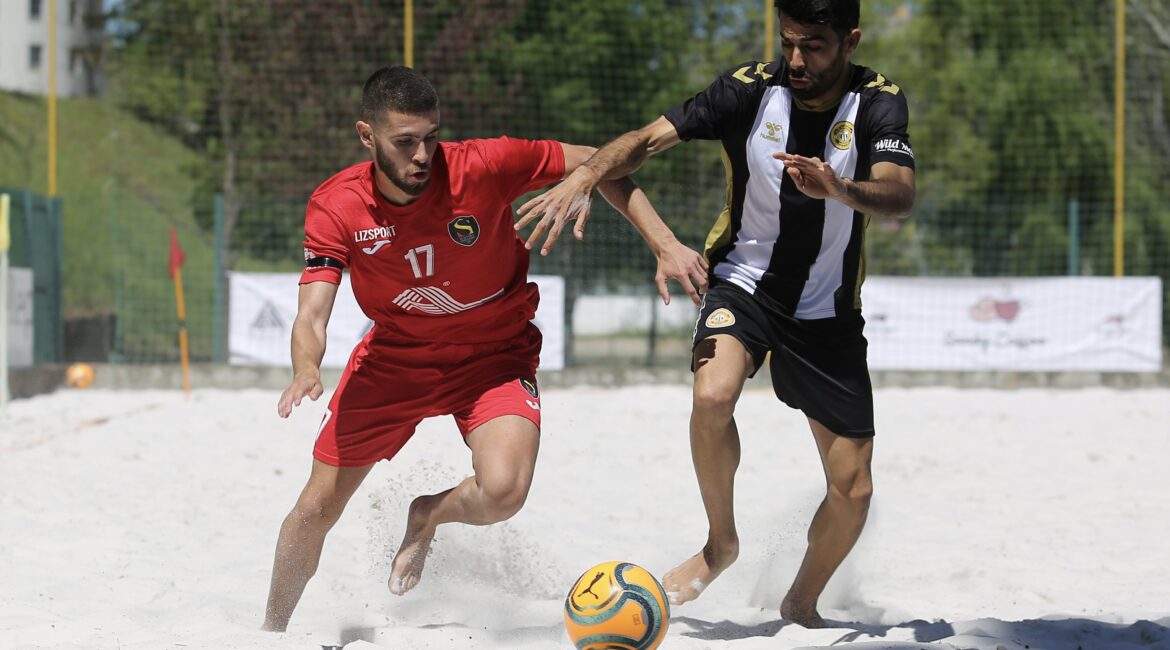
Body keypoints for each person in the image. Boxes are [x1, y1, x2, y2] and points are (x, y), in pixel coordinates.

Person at [261, 65, 705, 633]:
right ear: (366, 137)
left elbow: (607, 158)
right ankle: (270, 632)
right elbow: (312, 312)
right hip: (396, 360)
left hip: (495, 354)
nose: (423, 154)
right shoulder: (337, 204)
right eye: (405, 141)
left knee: (503, 492)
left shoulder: (484, 164)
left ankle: (427, 515)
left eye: (431, 136)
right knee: (314, 509)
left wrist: (651, 232)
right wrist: (305, 367)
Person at [516, 0, 916, 628]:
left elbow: (899, 193)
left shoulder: (878, 100)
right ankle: (720, 545)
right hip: (743, 284)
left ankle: (801, 601)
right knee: (712, 394)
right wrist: (588, 174)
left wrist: (840, 188)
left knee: (853, 490)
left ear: (851, 40)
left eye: (813, 45)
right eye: (788, 42)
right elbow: (644, 140)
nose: (796, 59)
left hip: (827, 309)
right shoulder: (748, 90)